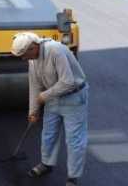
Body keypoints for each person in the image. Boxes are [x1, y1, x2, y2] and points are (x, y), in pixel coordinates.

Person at [11, 33, 88, 186]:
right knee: (48, 134)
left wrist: (44, 96)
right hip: (53, 97)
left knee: (74, 140)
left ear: (33, 47)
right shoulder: (33, 59)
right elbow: (35, 85)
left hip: (74, 97)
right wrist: (33, 111)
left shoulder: (56, 51)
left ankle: (73, 177)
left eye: (24, 55)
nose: (23, 59)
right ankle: (46, 164)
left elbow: (68, 82)